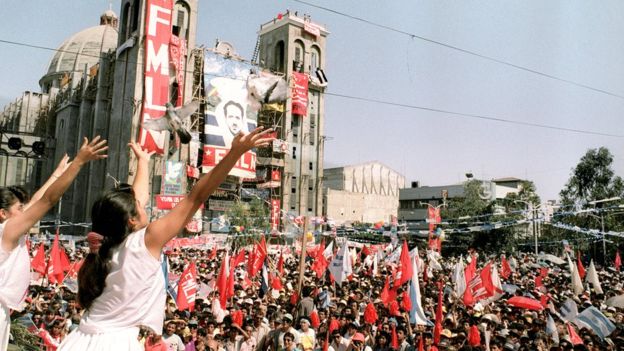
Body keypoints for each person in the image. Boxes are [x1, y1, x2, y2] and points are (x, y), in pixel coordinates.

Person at [59, 129, 273, 350]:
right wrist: (234, 154)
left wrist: (143, 162)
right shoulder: (143, 242)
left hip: (81, 340)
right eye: (140, 207)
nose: (143, 204)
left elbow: (136, 198)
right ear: (131, 220)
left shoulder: (104, 248)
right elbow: (196, 196)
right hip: (118, 342)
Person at [0, 137, 107, 349]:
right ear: (3, 214)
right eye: (19, 209)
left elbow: (37, 201)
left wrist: (57, 174)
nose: (25, 212)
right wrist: (78, 162)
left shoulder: (8, 229)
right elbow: (47, 201)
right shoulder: (6, 231)